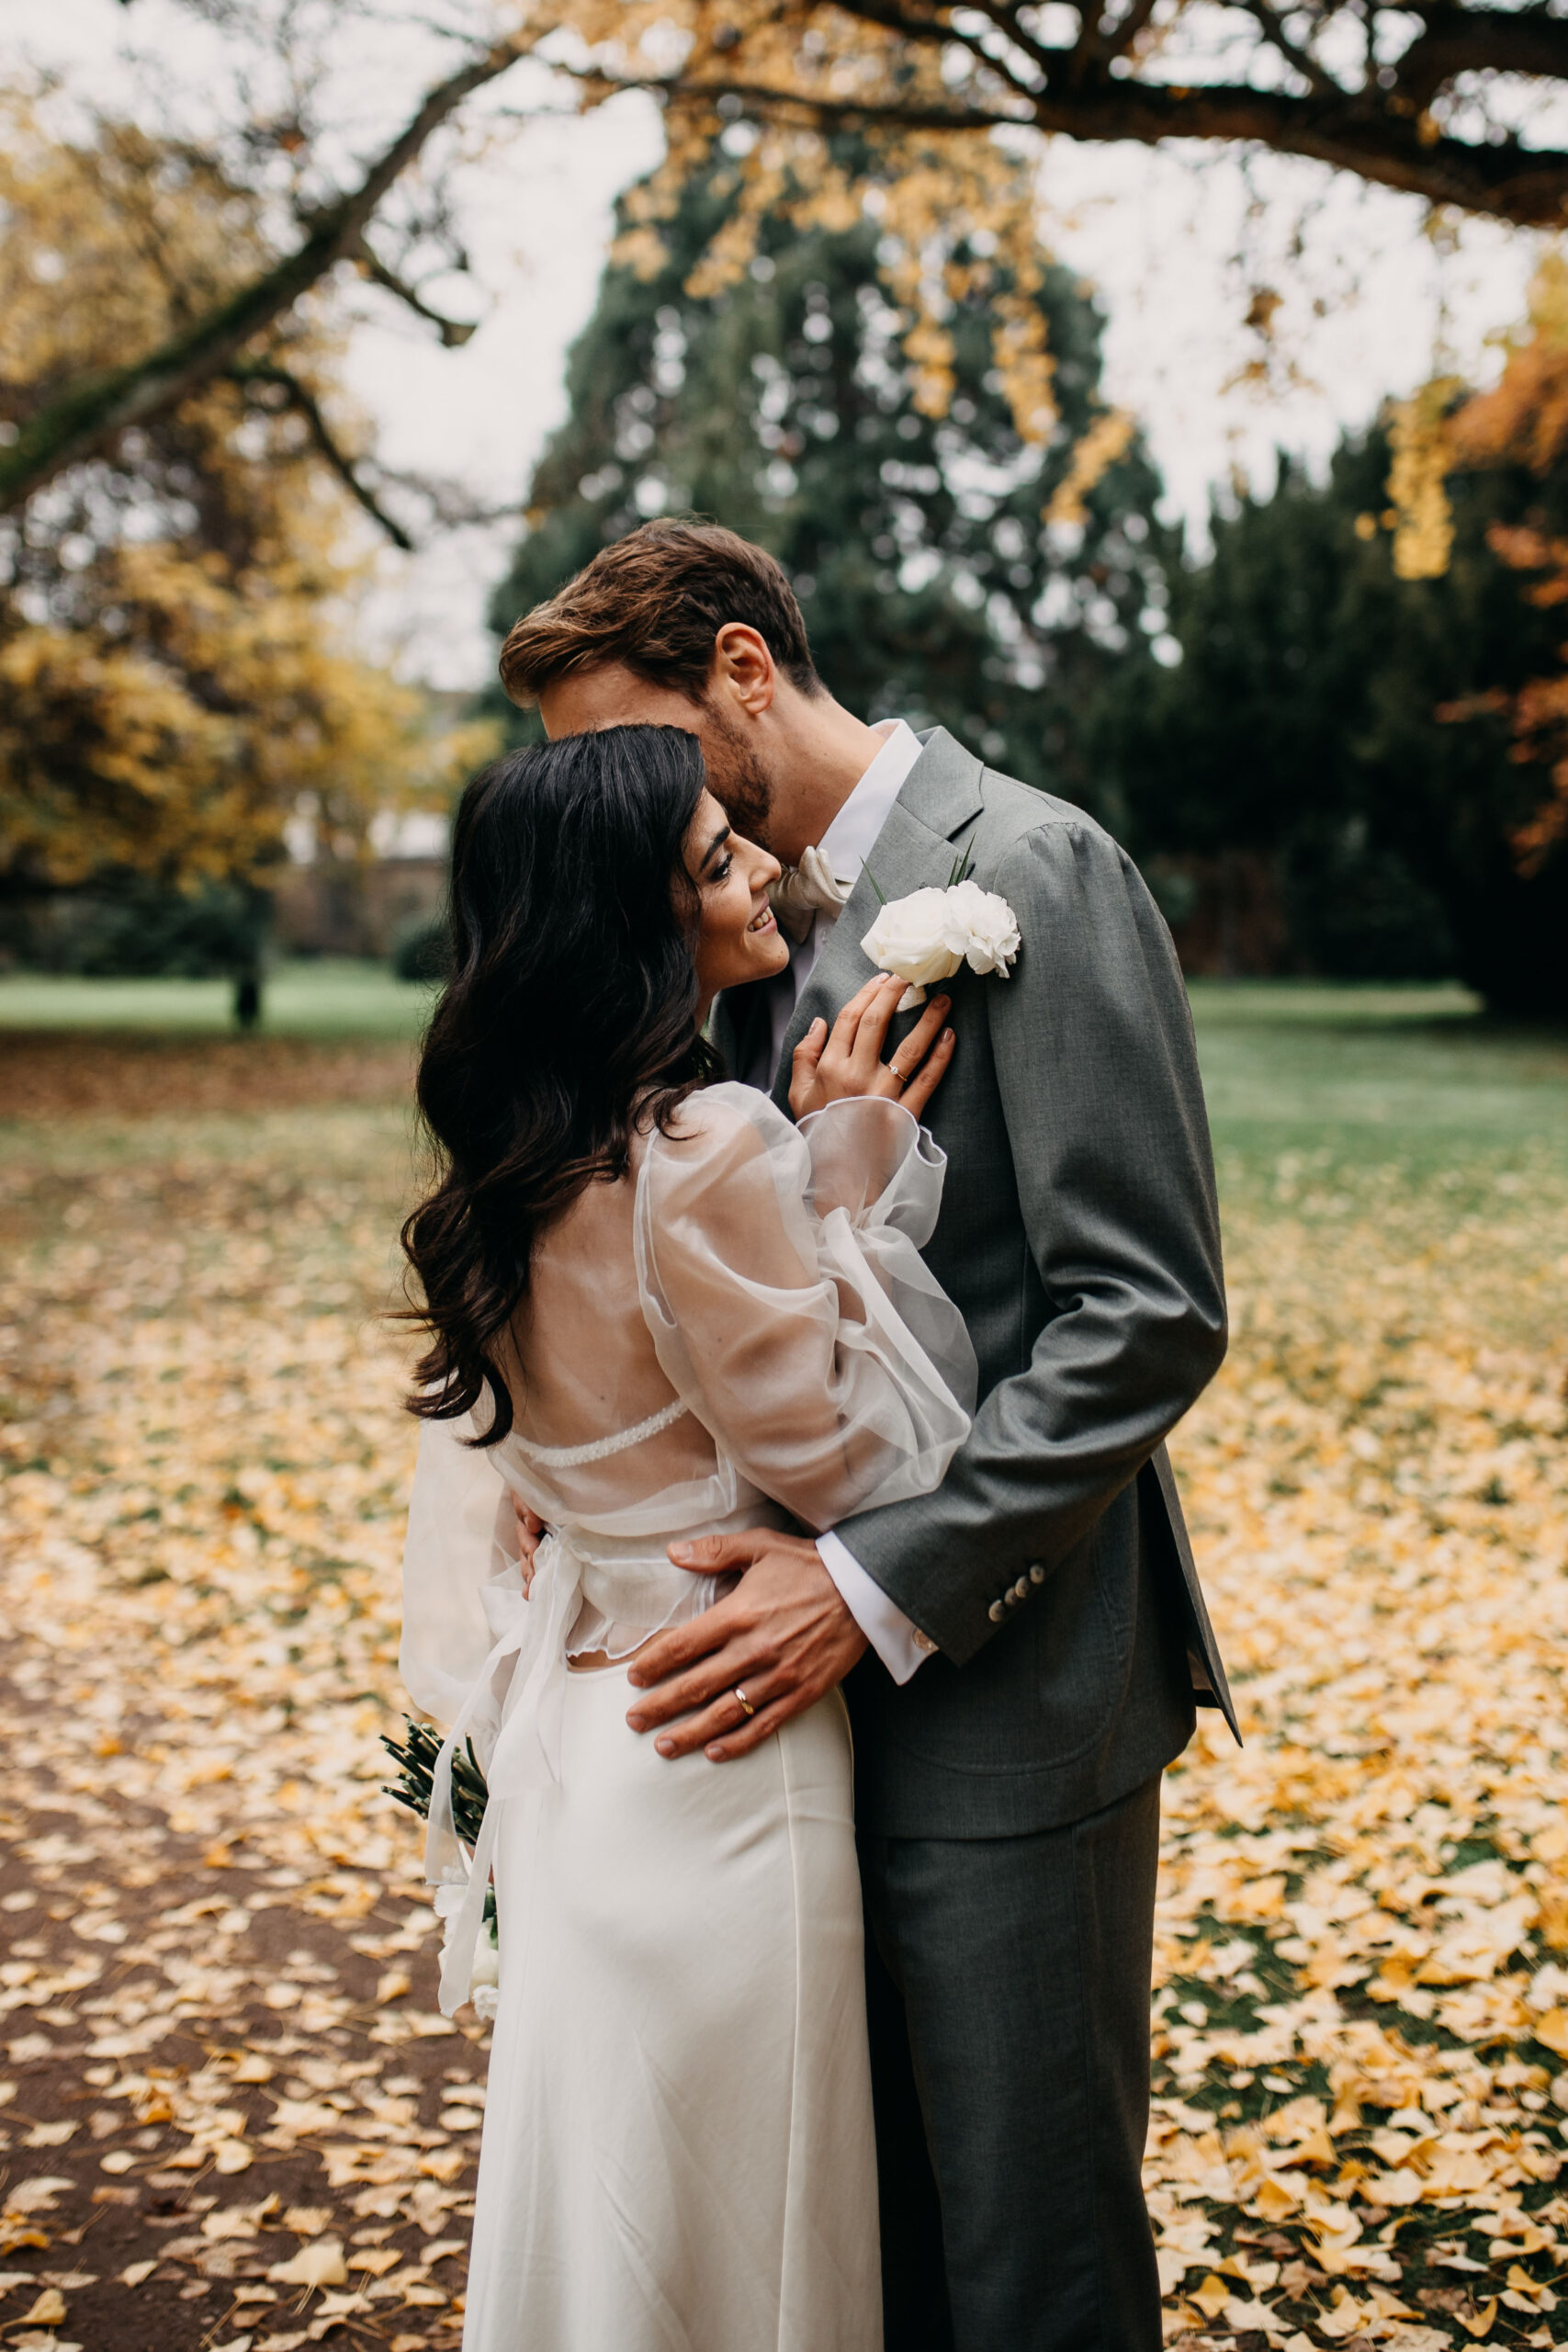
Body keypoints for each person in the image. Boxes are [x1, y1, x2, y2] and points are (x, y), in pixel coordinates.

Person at [498, 520, 1237, 2352]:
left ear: (743, 669)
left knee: (1019, 2254)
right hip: (762, 1748)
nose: (615, 799)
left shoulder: (1033, 873)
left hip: (1003, 1700)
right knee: (847, 2258)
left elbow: (1144, 1308)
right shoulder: (713, 915)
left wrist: (868, 1577)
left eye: (634, 745)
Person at [397, 722, 977, 2352]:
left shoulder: (502, 1178)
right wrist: (847, 1167)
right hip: (725, 1749)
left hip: (587, 1751)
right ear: (633, 921)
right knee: (754, 2230)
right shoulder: (701, 1147)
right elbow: (852, 1458)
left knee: (611, 2214)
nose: (758, 874)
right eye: (717, 862)